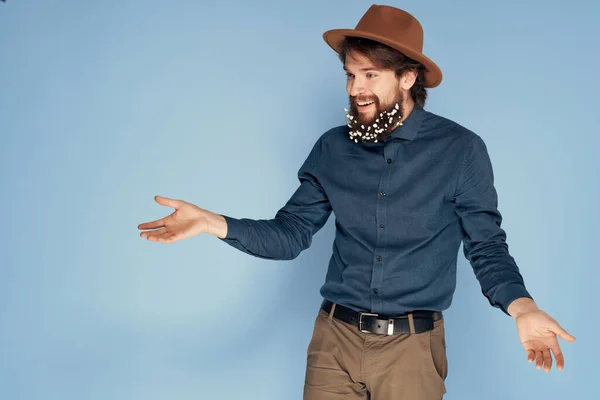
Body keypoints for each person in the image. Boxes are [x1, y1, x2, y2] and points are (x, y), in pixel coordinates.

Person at [137, 5, 575, 400]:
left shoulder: (460, 150)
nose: (356, 89)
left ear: (407, 78)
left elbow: (485, 245)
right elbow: (290, 235)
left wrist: (524, 308)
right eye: (350, 74)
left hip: (411, 351)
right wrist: (212, 222)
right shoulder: (333, 148)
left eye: (370, 75)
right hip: (334, 341)